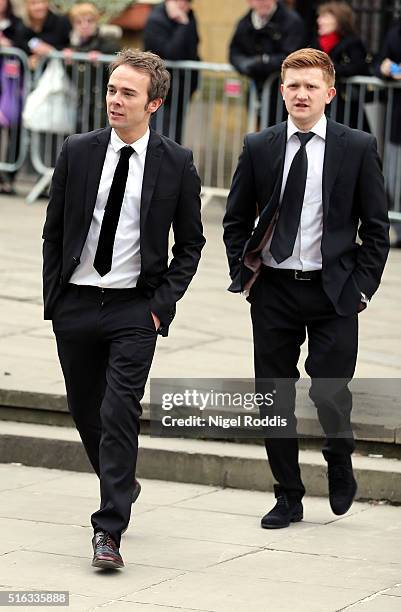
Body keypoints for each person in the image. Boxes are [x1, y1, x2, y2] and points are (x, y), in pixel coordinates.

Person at [42, 48, 205, 569]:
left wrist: (160, 306)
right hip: (77, 302)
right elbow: (53, 230)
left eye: (127, 93)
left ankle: (108, 530)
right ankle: (122, 481)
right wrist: (56, 297)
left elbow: (191, 245)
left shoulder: (176, 163)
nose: (115, 100)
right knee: (86, 410)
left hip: (135, 308)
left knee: (118, 411)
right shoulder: (78, 150)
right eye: (112, 90)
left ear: (153, 103)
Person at [223, 48, 389, 529]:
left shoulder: (356, 147)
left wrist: (362, 288)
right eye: (293, 86)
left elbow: (376, 229)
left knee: (330, 391)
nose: (301, 94)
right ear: (281, 91)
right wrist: (247, 272)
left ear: (329, 94)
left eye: (311, 86)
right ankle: (287, 495)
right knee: (272, 396)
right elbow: (235, 219)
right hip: (274, 289)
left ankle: (339, 455)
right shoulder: (260, 145)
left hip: (334, 291)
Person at [229, 0, 305, 108]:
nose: (262, 2)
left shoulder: (291, 21)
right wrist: (243, 64)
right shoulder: (245, 23)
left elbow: (292, 56)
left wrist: (263, 62)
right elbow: (234, 51)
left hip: (283, 93)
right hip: (255, 89)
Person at [143, 0, 200, 143]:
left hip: (182, 90)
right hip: (162, 90)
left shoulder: (189, 16)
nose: (184, 5)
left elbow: (193, 48)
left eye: (188, 2)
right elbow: (171, 53)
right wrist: (182, 24)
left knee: (175, 139)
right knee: (160, 137)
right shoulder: (156, 20)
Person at [64, 2, 121, 132]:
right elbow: (74, 80)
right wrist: (68, 65)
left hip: (103, 105)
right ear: (73, 25)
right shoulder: (74, 47)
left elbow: (118, 74)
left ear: (96, 22)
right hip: (83, 105)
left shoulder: (108, 44)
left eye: (89, 21)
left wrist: (101, 63)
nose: (85, 25)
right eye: (79, 22)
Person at [313, 1, 370, 127]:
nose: (319, 21)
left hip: (346, 103)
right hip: (322, 103)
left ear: (339, 20)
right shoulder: (317, 43)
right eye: (320, 16)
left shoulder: (352, 42)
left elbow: (359, 67)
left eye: (325, 17)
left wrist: (330, 69)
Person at [377, 20, 401, 211]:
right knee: (395, 179)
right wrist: (384, 69)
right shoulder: (395, 31)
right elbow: (378, 62)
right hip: (398, 118)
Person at [0, 0, 23, 194]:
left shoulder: (16, 25)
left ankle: (8, 177)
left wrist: (9, 45)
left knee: (14, 128)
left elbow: (22, 46)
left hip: (11, 86)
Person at [14, 0, 71, 70]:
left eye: (43, 2)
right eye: (34, 3)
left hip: (58, 73)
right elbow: (18, 50)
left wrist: (52, 51)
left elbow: (70, 47)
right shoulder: (21, 26)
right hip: (31, 76)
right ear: (26, 6)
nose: (39, 6)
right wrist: (27, 62)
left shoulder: (61, 22)